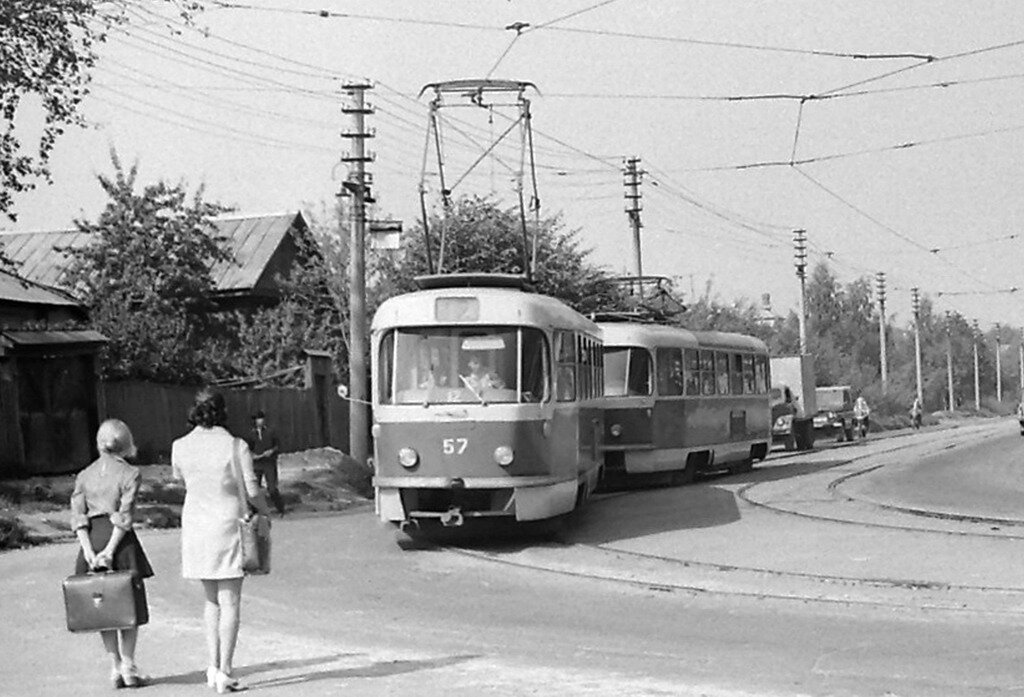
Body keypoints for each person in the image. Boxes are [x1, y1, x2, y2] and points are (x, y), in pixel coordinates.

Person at [172, 388, 270, 694]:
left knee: (210, 600)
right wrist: (266, 512)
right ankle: (225, 670)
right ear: (223, 411)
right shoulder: (236, 446)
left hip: (196, 526)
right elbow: (252, 490)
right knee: (230, 601)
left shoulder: (179, 446)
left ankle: (212, 666)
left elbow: (180, 480)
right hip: (229, 526)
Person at [70, 418, 154, 689]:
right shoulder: (130, 473)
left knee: (102, 604)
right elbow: (124, 516)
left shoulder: (84, 475)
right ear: (126, 443)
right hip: (120, 541)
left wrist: (89, 551)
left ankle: (115, 665)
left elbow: (78, 517)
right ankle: (129, 665)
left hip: (92, 537)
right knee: (127, 603)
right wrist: (110, 550)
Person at [248, 410, 285, 516]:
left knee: (272, 488)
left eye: (261, 418)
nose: (260, 421)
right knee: (254, 488)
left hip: (269, 463)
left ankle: (280, 508)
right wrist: (253, 456)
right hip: (257, 464)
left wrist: (272, 451)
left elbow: (278, 445)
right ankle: (255, 511)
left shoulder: (270, 432)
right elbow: (248, 449)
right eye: (257, 419)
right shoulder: (251, 434)